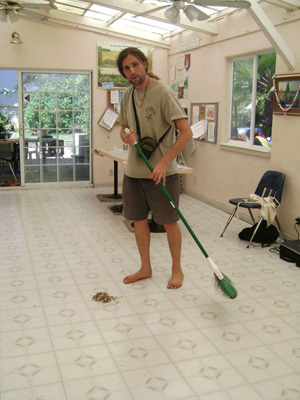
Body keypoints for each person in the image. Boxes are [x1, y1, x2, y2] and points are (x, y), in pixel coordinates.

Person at [116, 47, 193, 289]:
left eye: (135, 65)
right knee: (138, 220)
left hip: (162, 173)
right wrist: (125, 136)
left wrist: (162, 163)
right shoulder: (127, 95)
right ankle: (145, 267)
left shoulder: (163, 92)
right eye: (126, 68)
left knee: (169, 222)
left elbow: (186, 132)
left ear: (145, 64)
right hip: (134, 173)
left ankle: (177, 270)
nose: (132, 71)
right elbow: (123, 127)